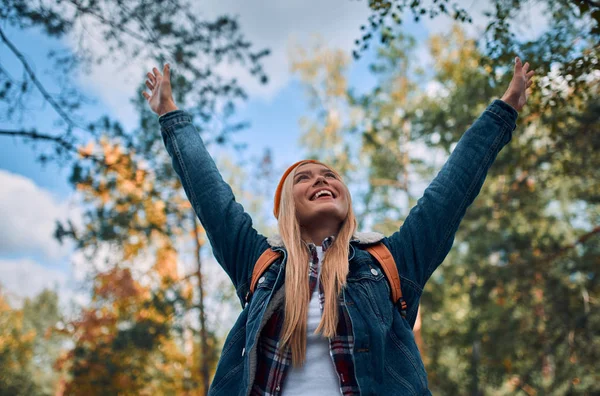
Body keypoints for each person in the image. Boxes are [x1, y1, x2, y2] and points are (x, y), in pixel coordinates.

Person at [142, 57, 534, 395]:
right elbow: (210, 196)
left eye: (330, 175)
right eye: (304, 177)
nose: (321, 180)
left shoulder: (387, 264)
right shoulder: (260, 266)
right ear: (285, 208)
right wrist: (170, 115)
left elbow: (450, 192)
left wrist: (505, 109)